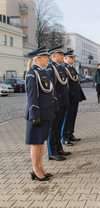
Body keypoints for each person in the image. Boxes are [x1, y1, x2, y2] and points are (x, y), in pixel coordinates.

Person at [25, 46, 56, 181]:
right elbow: (32, 96)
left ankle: (40, 167)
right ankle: (35, 169)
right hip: (37, 114)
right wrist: (35, 114)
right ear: (38, 59)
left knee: (41, 142)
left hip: (45, 112)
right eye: (45, 57)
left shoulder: (43, 73)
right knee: (36, 143)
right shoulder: (32, 73)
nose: (48, 59)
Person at [46, 45, 71, 161]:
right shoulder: (51, 68)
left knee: (59, 126)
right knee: (53, 128)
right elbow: (51, 88)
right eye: (61, 55)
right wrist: (53, 103)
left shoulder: (60, 68)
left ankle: (59, 148)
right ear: (53, 56)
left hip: (63, 102)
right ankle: (52, 152)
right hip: (57, 103)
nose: (63, 56)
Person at [61, 50, 86, 146]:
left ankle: (70, 133)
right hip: (69, 97)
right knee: (67, 117)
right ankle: (65, 137)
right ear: (65, 58)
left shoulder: (72, 68)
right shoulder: (64, 68)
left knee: (72, 116)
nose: (73, 59)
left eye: (73, 57)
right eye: (71, 57)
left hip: (75, 97)